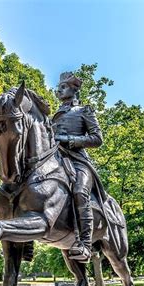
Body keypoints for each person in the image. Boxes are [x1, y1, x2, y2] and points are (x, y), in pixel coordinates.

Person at [52, 72, 103, 262]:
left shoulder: (84, 111)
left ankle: (85, 245)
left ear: (73, 90)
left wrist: (69, 140)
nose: (59, 89)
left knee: (80, 193)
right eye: (59, 86)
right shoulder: (54, 115)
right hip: (56, 160)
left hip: (78, 161)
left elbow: (97, 139)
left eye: (63, 86)